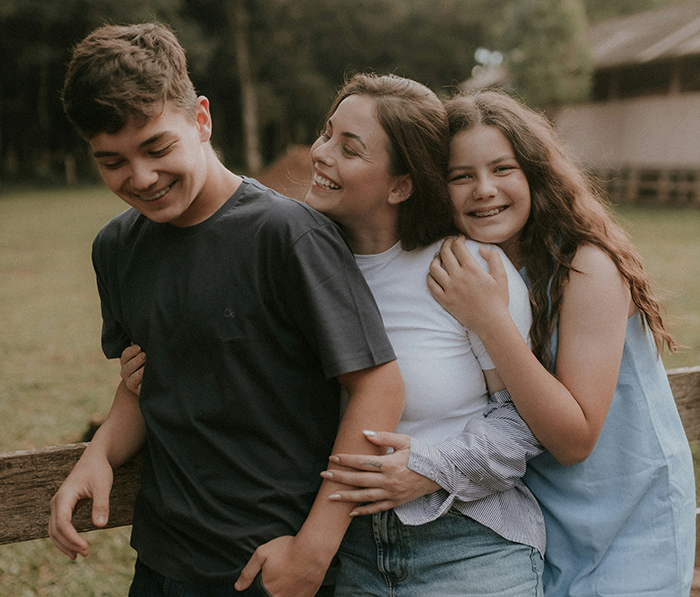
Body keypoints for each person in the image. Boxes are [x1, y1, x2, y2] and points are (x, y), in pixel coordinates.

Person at [123, 73, 547, 596]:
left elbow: (519, 428)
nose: (320, 153)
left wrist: (426, 471)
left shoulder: (466, 268)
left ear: (401, 184)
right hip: (342, 552)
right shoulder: (288, 261)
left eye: (349, 148)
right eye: (326, 133)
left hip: (466, 539)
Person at [47, 23, 407, 597]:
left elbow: (379, 387)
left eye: (158, 148)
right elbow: (144, 381)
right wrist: (99, 453)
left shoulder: (289, 237)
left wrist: (313, 553)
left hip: (269, 564)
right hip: (163, 557)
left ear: (202, 120)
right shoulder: (115, 249)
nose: (140, 177)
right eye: (111, 162)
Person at [426, 89, 696, 596]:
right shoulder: (461, 270)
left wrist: (490, 320)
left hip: (629, 523)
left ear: (534, 174)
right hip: (538, 525)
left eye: (502, 168)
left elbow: (575, 440)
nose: (484, 189)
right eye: (461, 175)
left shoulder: (585, 267)